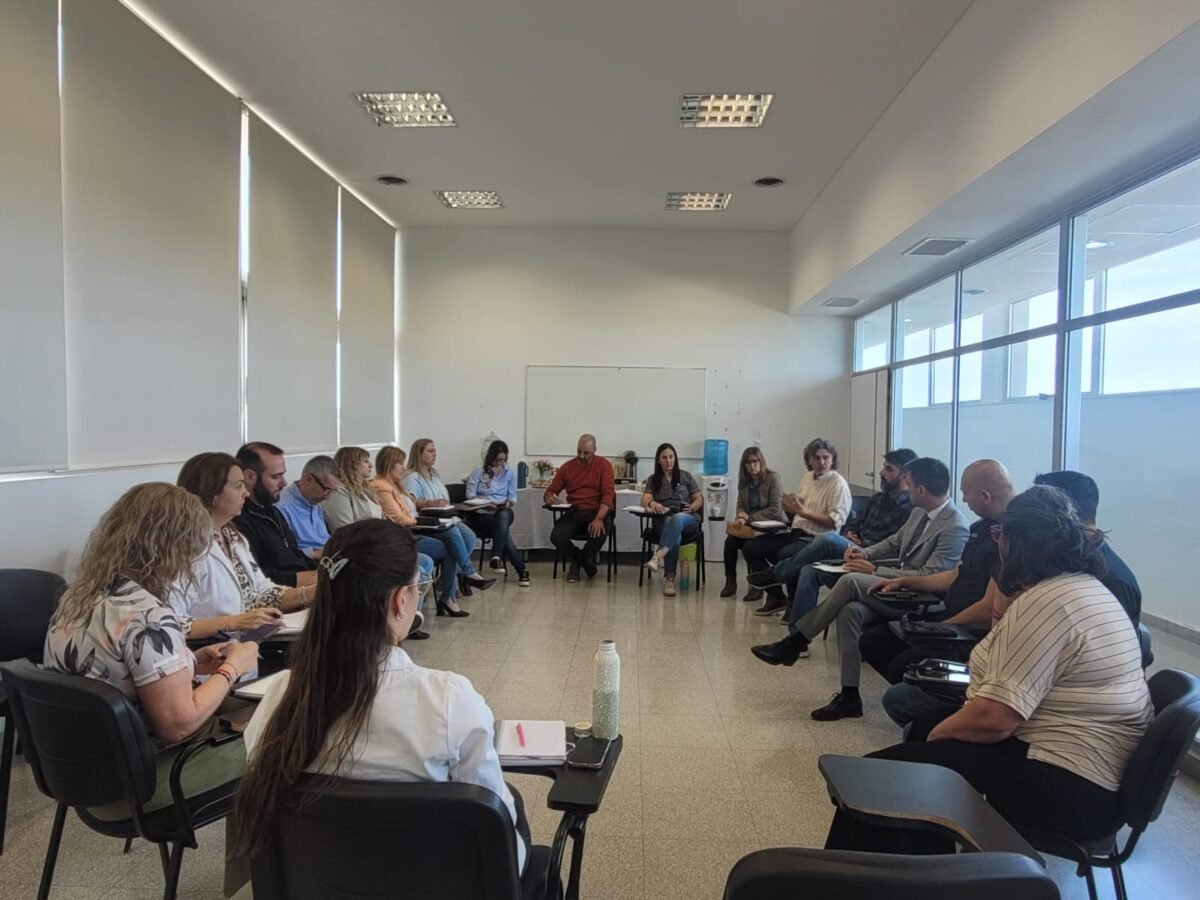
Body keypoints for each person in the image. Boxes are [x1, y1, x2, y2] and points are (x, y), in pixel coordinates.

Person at [824, 485, 1153, 855]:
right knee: (915, 756)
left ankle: (878, 882)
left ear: (1018, 543)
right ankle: (928, 876)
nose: (997, 544)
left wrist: (938, 738)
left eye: (1000, 534)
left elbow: (994, 720)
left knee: (879, 779)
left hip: (1069, 787)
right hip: (1089, 778)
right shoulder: (1082, 588)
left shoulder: (1047, 603)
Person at [236, 519, 536, 879]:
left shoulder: (279, 699)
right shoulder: (447, 700)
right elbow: (495, 832)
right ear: (399, 601)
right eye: (419, 587)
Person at [43, 482, 259, 818]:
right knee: (279, 749)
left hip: (86, 776)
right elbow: (179, 725)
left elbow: (119, 673)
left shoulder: (78, 597)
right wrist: (231, 668)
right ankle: (264, 869)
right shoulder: (148, 616)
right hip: (144, 781)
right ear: (178, 547)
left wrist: (190, 663)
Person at [881, 468, 1142, 735]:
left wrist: (938, 737)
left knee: (915, 717)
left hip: (1049, 718)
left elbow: (1001, 713)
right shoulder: (1062, 572)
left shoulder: (1087, 585)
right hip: (1019, 692)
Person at [751, 457, 969, 721]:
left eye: (909, 486)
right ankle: (849, 695)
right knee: (850, 611)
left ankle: (796, 641)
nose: (906, 490)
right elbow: (893, 542)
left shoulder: (955, 526)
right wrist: (863, 553)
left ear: (921, 490)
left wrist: (875, 571)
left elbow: (931, 576)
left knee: (851, 580)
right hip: (893, 589)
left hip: (919, 598)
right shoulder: (919, 513)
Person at [747, 448, 916, 616]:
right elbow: (855, 522)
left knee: (827, 539)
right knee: (807, 570)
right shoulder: (879, 498)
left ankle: (777, 574)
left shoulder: (910, 509)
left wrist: (862, 545)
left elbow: (895, 545)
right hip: (850, 547)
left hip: (871, 557)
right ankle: (797, 634)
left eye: (889, 469)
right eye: (884, 467)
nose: (881, 472)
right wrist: (851, 533)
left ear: (905, 475)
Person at [171, 452, 315, 641]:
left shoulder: (233, 537)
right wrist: (234, 622)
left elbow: (260, 593)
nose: (246, 493)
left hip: (247, 647)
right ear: (212, 493)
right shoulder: (184, 549)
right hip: (211, 655)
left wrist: (311, 593)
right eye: (239, 486)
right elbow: (171, 622)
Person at [373, 444, 494, 617]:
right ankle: (459, 583)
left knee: (458, 534)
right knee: (452, 539)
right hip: (409, 531)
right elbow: (400, 518)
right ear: (389, 464)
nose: (402, 467)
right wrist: (420, 516)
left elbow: (408, 507)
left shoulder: (398, 484)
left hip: (419, 522)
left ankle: (456, 587)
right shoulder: (383, 486)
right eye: (399, 463)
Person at [741, 438, 852, 602]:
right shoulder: (808, 477)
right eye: (817, 458)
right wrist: (790, 503)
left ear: (832, 459)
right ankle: (777, 597)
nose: (822, 462)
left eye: (826, 457)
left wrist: (802, 512)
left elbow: (834, 522)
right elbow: (799, 508)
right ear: (809, 460)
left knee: (785, 554)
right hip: (795, 531)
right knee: (751, 548)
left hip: (817, 539)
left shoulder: (838, 484)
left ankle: (792, 605)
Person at [233, 442, 317, 588]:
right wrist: (302, 578)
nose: (284, 483)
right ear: (250, 476)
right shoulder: (238, 520)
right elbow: (255, 576)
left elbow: (293, 556)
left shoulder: (273, 511)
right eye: (276, 476)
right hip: (282, 596)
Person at [543, 434, 616, 583]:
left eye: (586, 452)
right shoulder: (568, 467)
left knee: (602, 529)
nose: (581, 456)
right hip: (575, 512)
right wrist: (549, 497)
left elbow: (608, 496)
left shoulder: (604, 465)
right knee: (556, 536)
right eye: (579, 451)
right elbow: (551, 490)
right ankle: (584, 562)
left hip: (596, 512)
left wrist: (599, 518)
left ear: (595, 450)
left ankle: (576, 565)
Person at [639, 442, 703, 598]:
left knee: (679, 518)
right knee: (675, 531)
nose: (668, 461)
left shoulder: (686, 476)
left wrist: (693, 507)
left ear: (675, 458)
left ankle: (658, 557)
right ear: (658, 461)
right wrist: (652, 503)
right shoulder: (653, 479)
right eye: (664, 458)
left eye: (671, 456)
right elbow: (645, 499)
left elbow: (698, 498)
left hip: (688, 518)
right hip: (663, 520)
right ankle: (670, 579)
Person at [721, 446, 785, 598]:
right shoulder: (744, 483)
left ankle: (758, 585)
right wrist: (740, 515)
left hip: (772, 526)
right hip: (752, 526)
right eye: (748, 463)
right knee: (730, 543)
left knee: (750, 547)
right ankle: (730, 582)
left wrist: (750, 518)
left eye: (755, 461)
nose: (752, 465)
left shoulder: (773, 478)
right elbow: (740, 503)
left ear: (761, 462)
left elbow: (775, 508)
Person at [466, 439, 531, 586]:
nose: (499, 463)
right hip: (482, 512)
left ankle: (496, 556)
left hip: (503, 510)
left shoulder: (510, 473)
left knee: (502, 516)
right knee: (503, 532)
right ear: (491, 457)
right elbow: (470, 494)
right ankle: (521, 570)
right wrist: (485, 503)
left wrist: (509, 502)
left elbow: (512, 495)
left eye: (502, 459)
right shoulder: (479, 470)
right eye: (497, 460)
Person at [275, 455, 339, 557]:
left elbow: (322, 538)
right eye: (326, 490)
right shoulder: (281, 506)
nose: (328, 497)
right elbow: (283, 553)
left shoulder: (313, 500)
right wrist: (315, 554)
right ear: (307, 480)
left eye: (332, 491)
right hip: (306, 563)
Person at [323, 447, 383, 532]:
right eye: (365, 461)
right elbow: (345, 530)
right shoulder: (337, 491)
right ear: (351, 464)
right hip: (360, 542)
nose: (371, 465)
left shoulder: (365, 490)